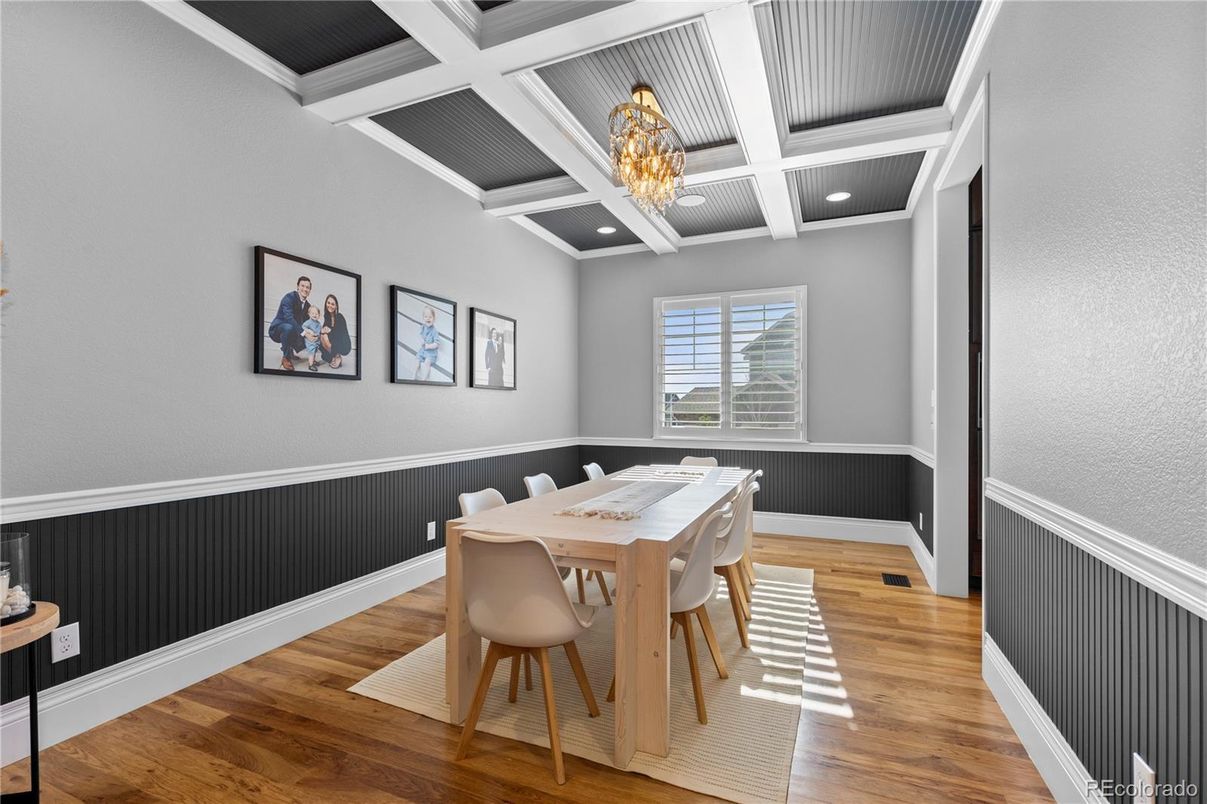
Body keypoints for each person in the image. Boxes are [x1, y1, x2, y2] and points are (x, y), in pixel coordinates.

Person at [268, 275, 311, 371]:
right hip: (277, 330)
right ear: (297, 287)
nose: (305, 289)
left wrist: (314, 333)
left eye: (307, 287)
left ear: (310, 291)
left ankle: (290, 351)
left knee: (305, 331)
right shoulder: (289, 297)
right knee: (289, 327)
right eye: (302, 286)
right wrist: (305, 334)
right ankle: (286, 357)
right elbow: (289, 319)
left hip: (291, 330)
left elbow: (309, 323)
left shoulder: (308, 306)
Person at [319, 294, 352, 370]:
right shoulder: (327, 317)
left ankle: (337, 356)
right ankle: (333, 357)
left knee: (325, 336)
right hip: (334, 342)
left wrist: (329, 331)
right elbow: (324, 330)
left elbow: (341, 335)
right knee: (322, 336)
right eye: (328, 303)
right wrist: (323, 331)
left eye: (332, 304)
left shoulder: (339, 317)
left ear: (336, 306)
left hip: (344, 344)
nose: (330, 305)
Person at [414, 306, 440, 381]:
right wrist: (421, 340)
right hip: (423, 350)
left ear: (434, 319)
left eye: (430, 317)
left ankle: (424, 379)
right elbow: (420, 335)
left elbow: (437, 344)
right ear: (423, 318)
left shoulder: (434, 331)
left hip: (431, 352)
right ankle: (413, 376)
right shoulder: (423, 327)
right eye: (426, 317)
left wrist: (428, 346)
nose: (428, 319)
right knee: (417, 360)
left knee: (427, 363)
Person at [301, 304, 323, 371]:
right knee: (311, 352)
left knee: (315, 351)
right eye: (312, 313)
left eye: (316, 314)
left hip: (316, 340)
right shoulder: (308, 322)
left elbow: (319, 331)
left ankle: (313, 361)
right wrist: (309, 331)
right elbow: (303, 326)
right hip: (310, 341)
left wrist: (319, 336)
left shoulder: (318, 323)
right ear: (309, 314)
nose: (314, 315)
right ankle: (311, 365)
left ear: (319, 315)